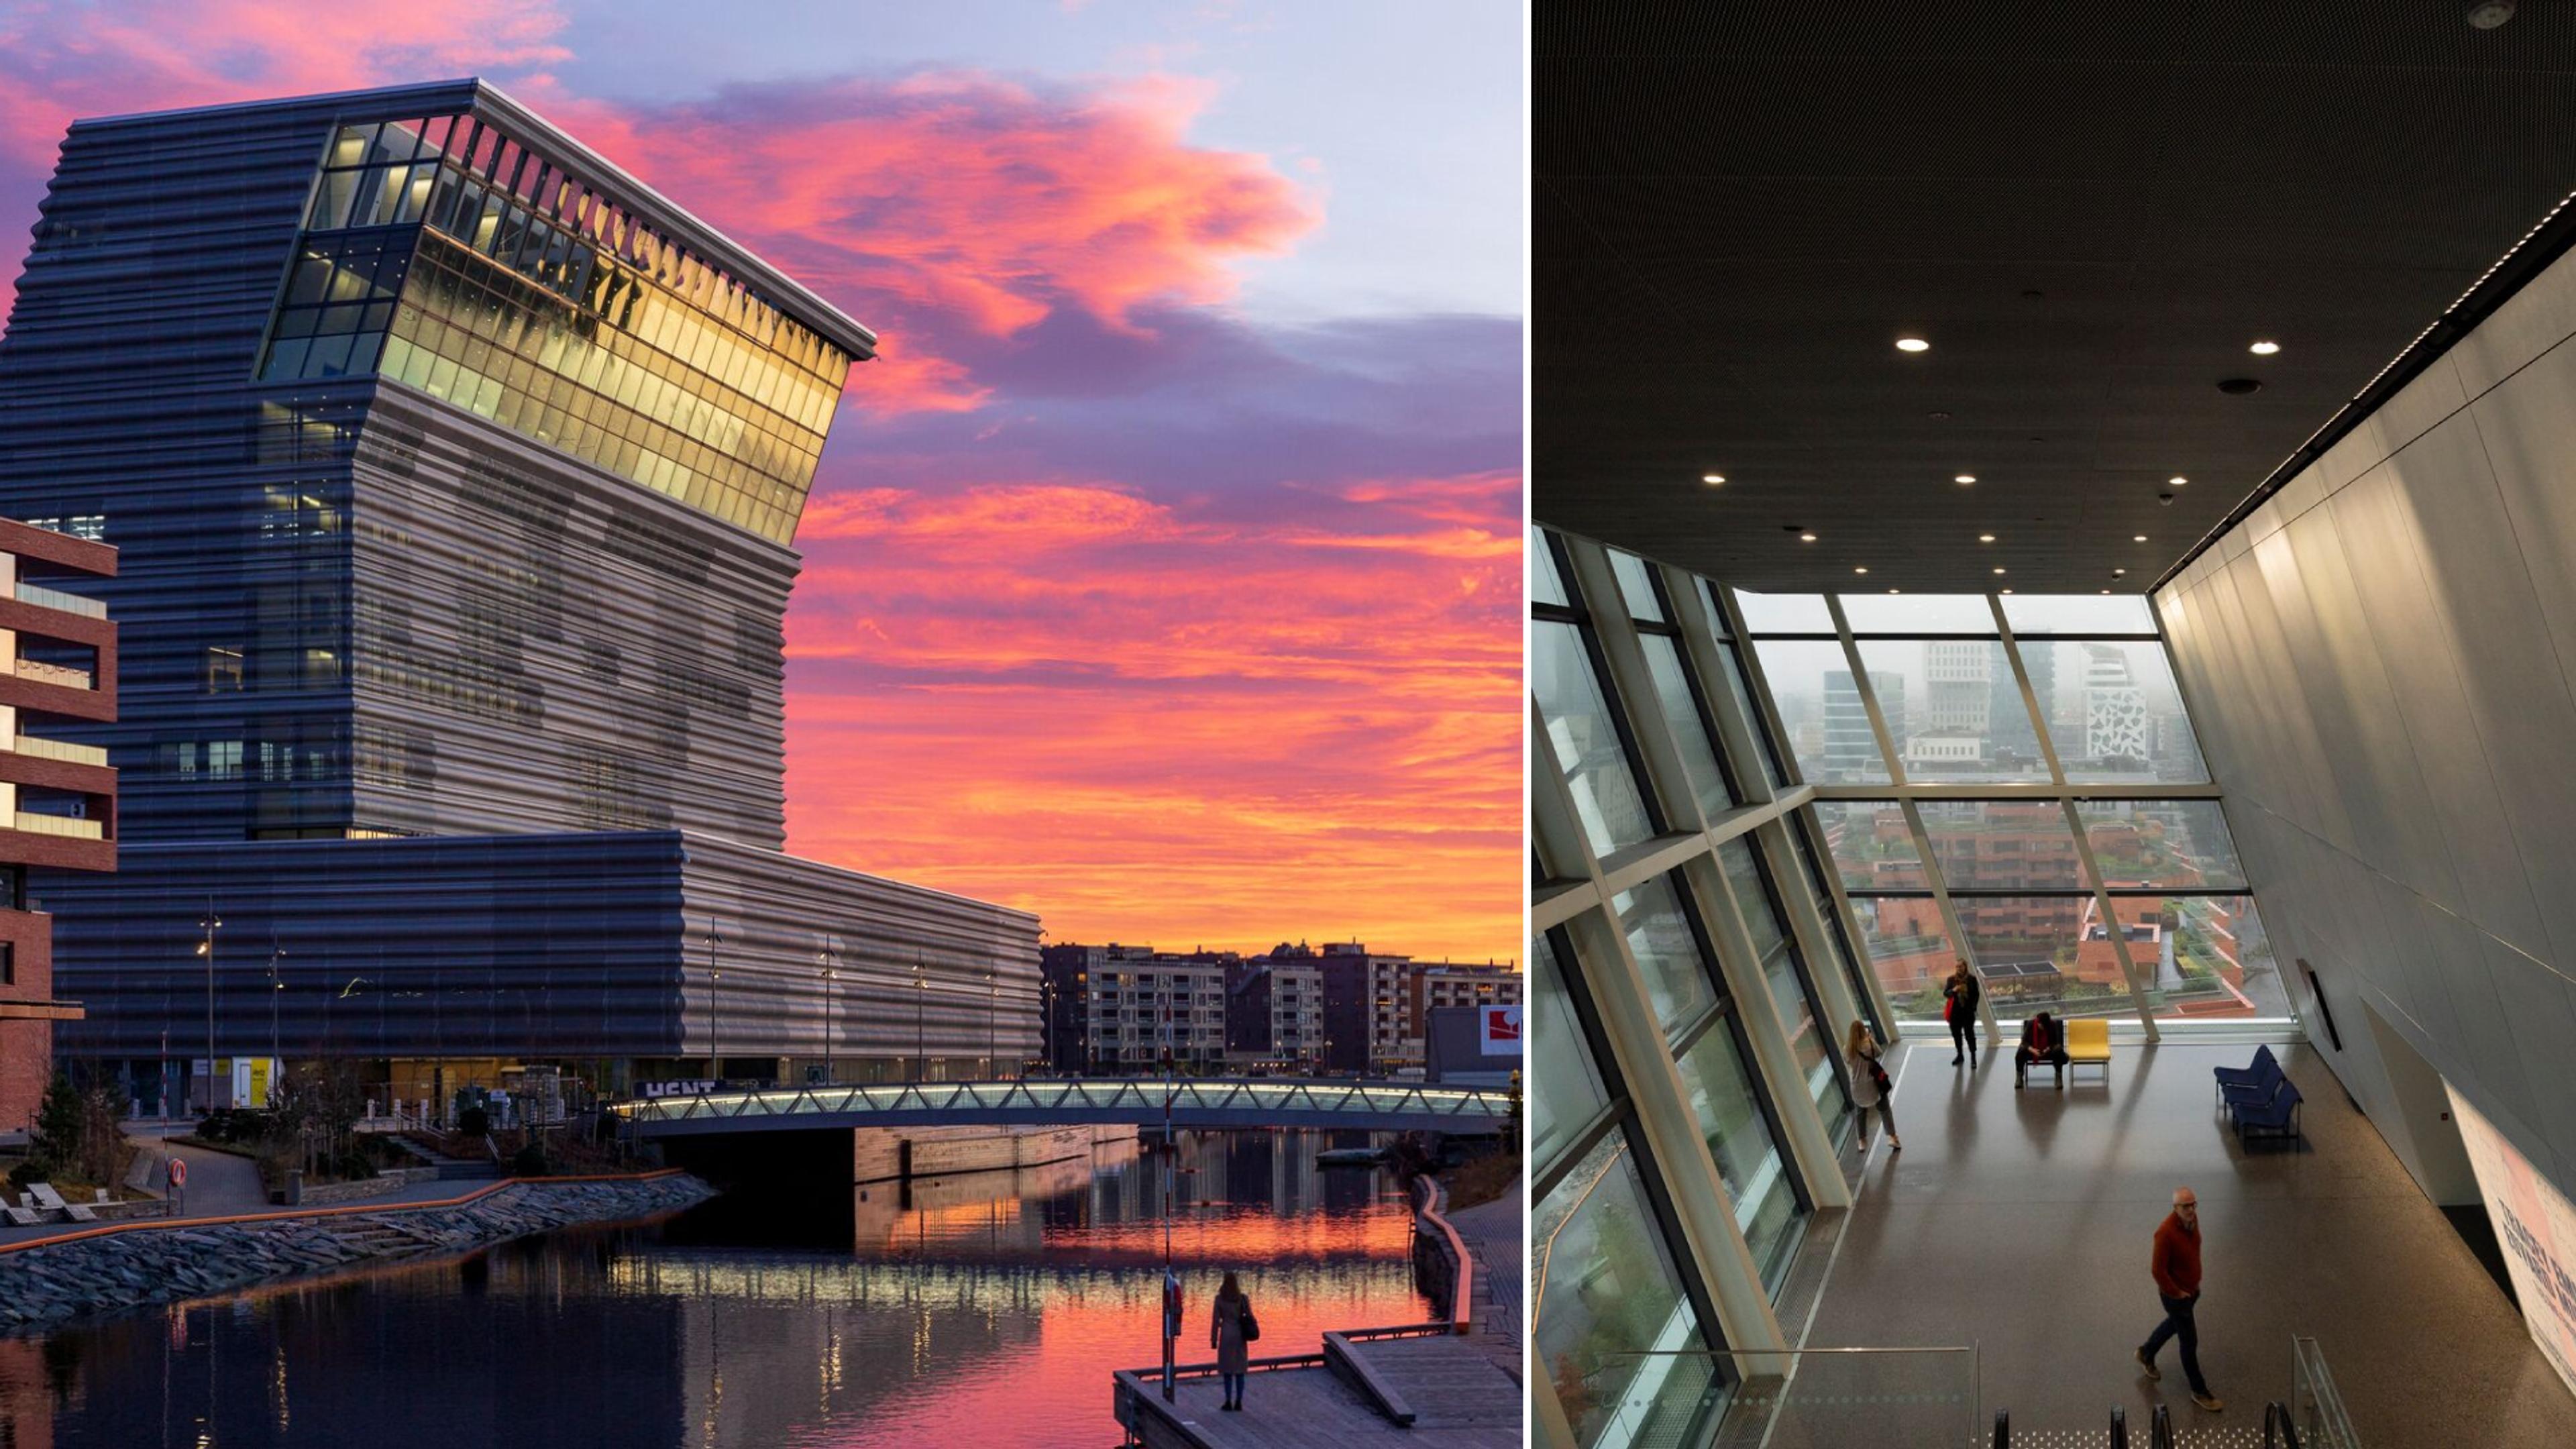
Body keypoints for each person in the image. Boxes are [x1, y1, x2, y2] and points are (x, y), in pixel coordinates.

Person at [2136, 1187, 2224, 1412]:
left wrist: (2193, 1284)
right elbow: (2158, 1271)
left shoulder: (2192, 1222)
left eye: (2194, 1204)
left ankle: (2146, 1352)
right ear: (2175, 1208)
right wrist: (2176, 1293)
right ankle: (2199, 1391)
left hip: (2191, 1291)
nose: (2191, 1209)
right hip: (2177, 1298)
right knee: (2189, 1343)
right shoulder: (2165, 1233)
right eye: (2186, 1206)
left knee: (2173, 1325)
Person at [1844, 1020, 1900, 1153]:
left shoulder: (1847, 1048)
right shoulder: (1869, 1044)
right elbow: (1880, 1052)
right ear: (1864, 1031)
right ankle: (1892, 1137)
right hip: (1873, 1084)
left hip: (1857, 1086)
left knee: (1860, 1113)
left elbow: (1847, 1061)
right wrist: (1870, 1039)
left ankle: (1862, 1141)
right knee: (1884, 1109)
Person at [1211, 1271, 1254, 1411]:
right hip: (1240, 1335)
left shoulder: (1220, 1299)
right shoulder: (1242, 1298)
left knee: (1227, 1371)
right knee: (1240, 1370)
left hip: (1226, 1335)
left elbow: (1216, 1321)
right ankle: (1239, 1401)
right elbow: (1250, 1317)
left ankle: (1228, 1400)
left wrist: (1214, 1339)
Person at [1941, 960, 1982, 1067]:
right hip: (1955, 1013)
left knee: (1970, 1035)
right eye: (1957, 967)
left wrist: (1973, 1008)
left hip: (1968, 1013)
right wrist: (1954, 990)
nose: (1959, 969)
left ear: (1965, 967)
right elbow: (1946, 994)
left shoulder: (1971, 979)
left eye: (1961, 966)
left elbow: (1976, 995)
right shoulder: (1951, 980)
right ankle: (1960, 1055)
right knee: (1956, 1035)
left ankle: (1973, 1057)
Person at [2015, 1011, 2070, 1089]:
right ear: (2038, 1022)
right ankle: (2019, 1077)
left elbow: (2056, 1042)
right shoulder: (2031, 1024)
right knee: (2021, 1050)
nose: (2043, 1028)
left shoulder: (2052, 1025)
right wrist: (2032, 1050)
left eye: (2045, 1027)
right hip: (2033, 1049)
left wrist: (2047, 1049)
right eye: (2041, 1026)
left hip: (2048, 1050)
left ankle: (2058, 1077)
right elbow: (2024, 1041)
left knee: (2058, 1049)